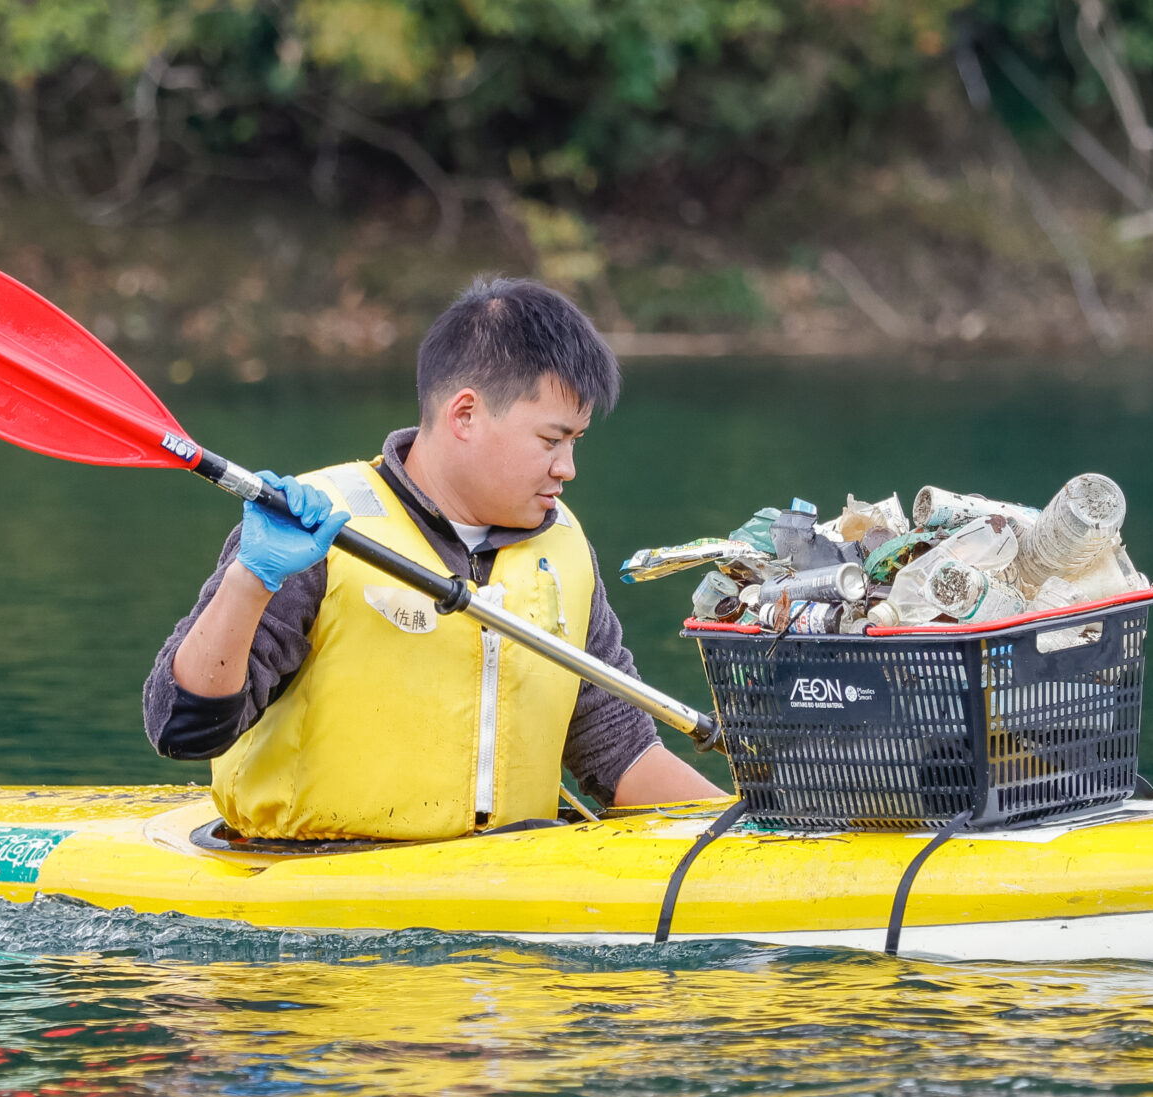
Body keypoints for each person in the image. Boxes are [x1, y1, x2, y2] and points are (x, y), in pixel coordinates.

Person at [142, 276, 724, 840]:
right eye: (551, 440)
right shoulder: (312, 529)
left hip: (497, 887)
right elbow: (181, 730)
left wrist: (755, 831)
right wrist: (251, 578)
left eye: (575, 442)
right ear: (465, 415)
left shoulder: (564, 550)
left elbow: (622, 754)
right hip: (308, 885)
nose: (567, 468)